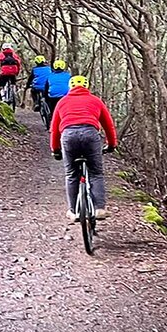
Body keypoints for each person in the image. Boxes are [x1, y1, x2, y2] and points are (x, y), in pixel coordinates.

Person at [50, 75, 117, 222]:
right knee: (96, 173)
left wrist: (55, 149)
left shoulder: (62, 102)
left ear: (70, 87)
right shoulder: (95, 100)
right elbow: (108, 125)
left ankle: (73, 211)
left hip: (68, 136)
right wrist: (112, 144)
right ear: (87, 87)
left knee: (71, 174)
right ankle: (99, 208)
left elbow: (54, 129)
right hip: (90, 134)